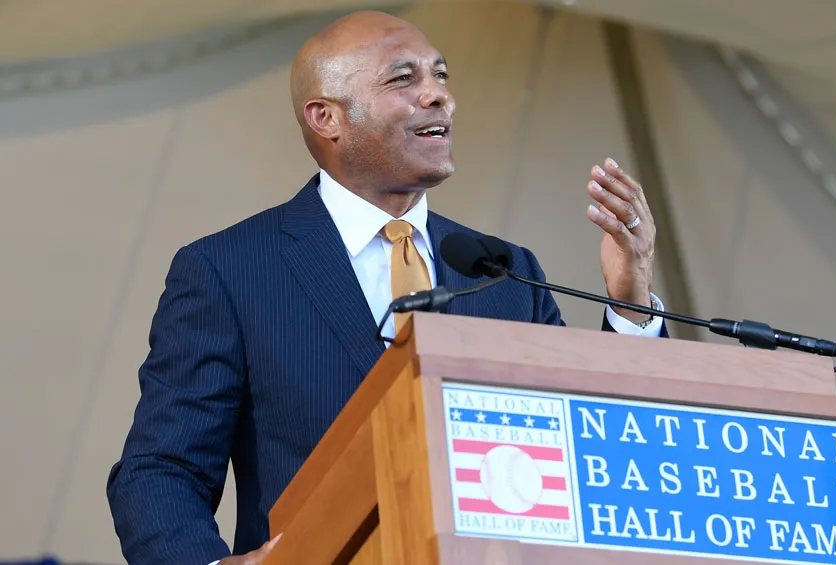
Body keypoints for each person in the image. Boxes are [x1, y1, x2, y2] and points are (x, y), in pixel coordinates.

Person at [106, 10, 667, 565]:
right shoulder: (230, 270)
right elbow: (162, 469)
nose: (439, 95)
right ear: (326, 118)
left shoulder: (506, 273)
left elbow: (597, 452)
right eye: (404, 78)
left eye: (440, 75)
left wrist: (631, 297)